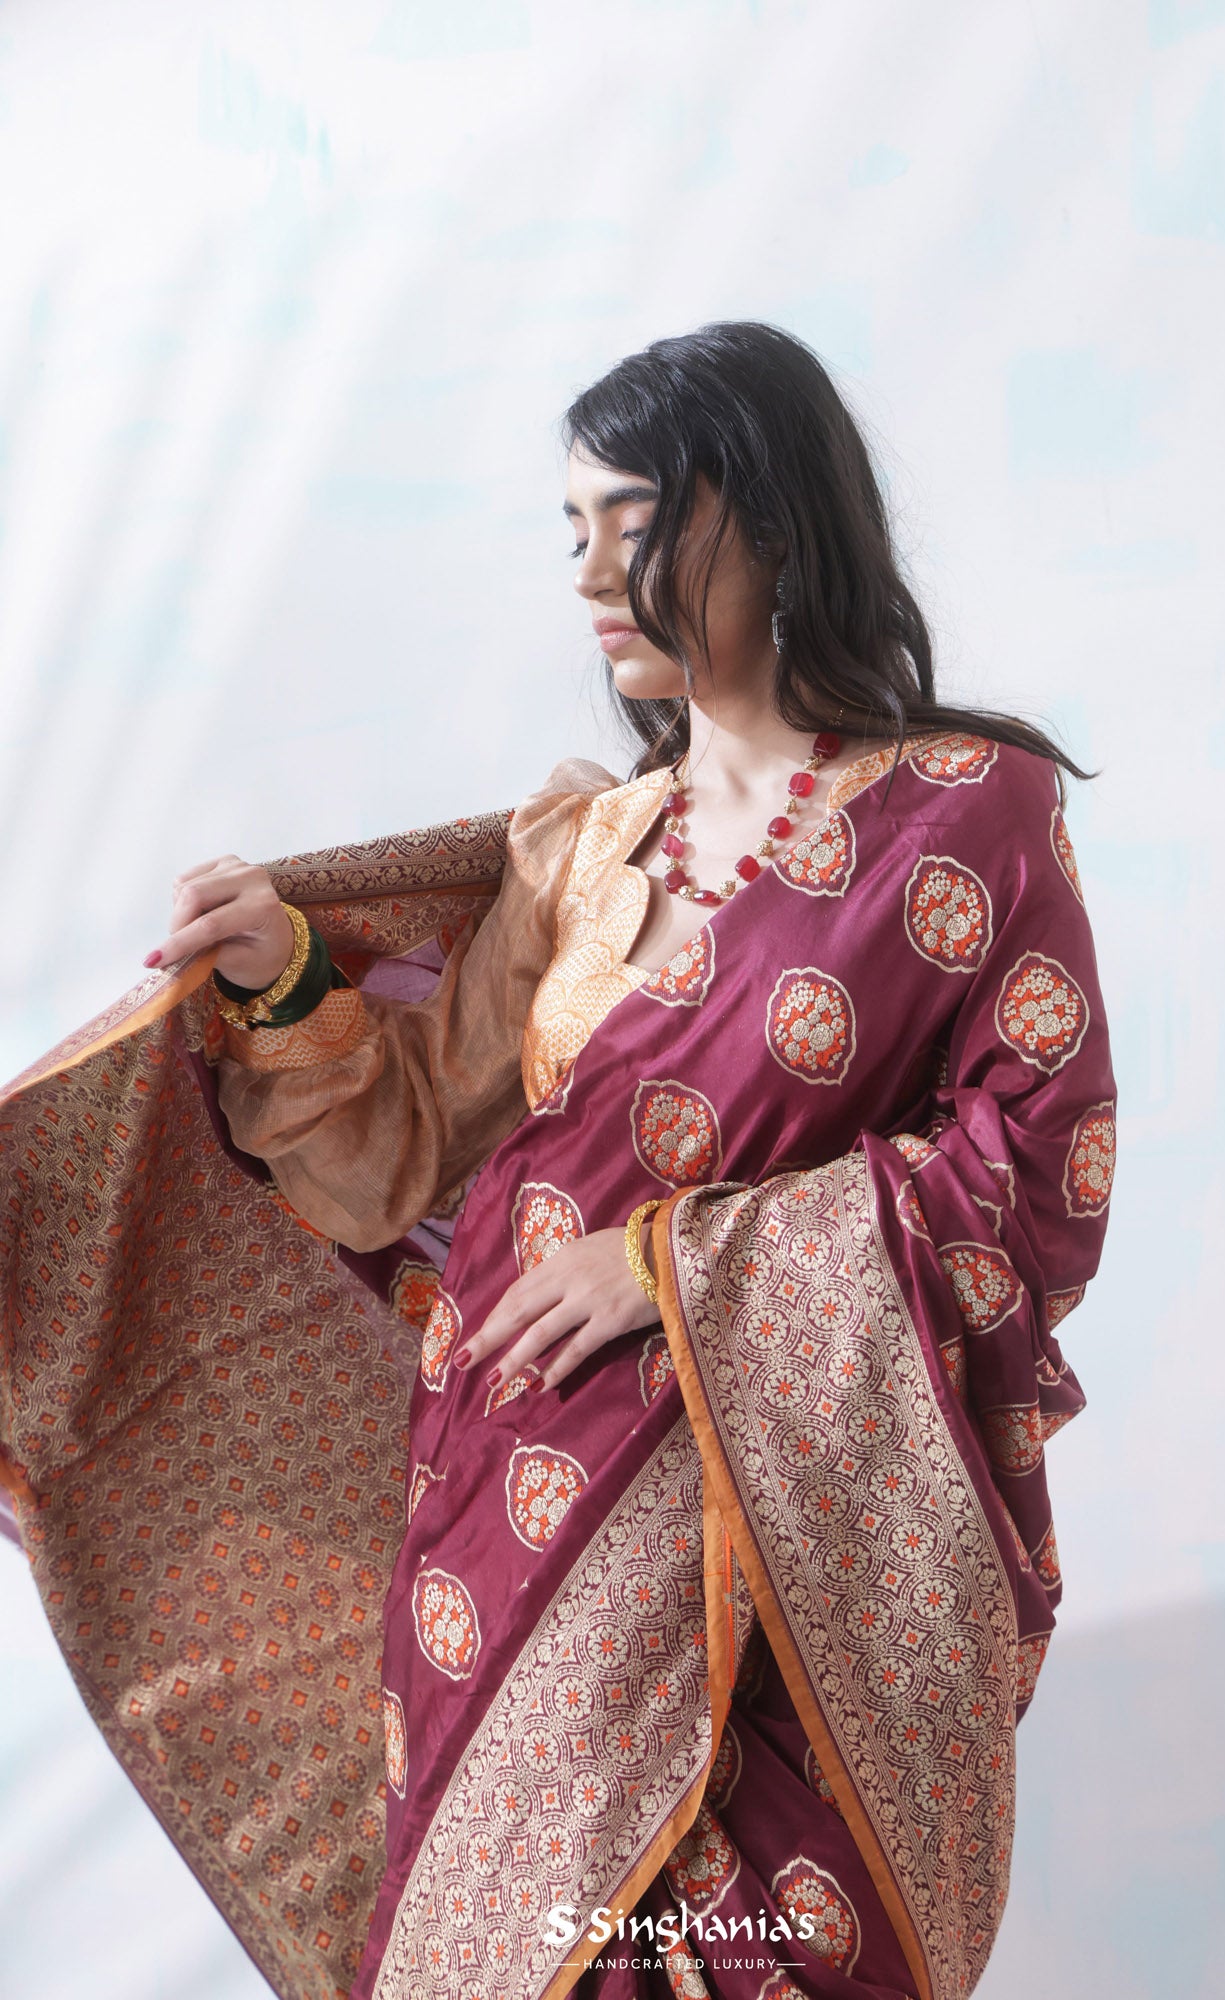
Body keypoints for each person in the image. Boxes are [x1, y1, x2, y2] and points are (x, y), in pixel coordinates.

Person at [1, 322, 1115, 2000]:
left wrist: (666, 1266)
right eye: (571, 528)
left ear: (776, 517)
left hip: (778, 1528)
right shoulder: (584, 842)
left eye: (635, 518)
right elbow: (390, 1160)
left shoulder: (967, 817)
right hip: (500, 1527)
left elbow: (1040, 1177)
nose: (590, 569)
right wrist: (282, 979)